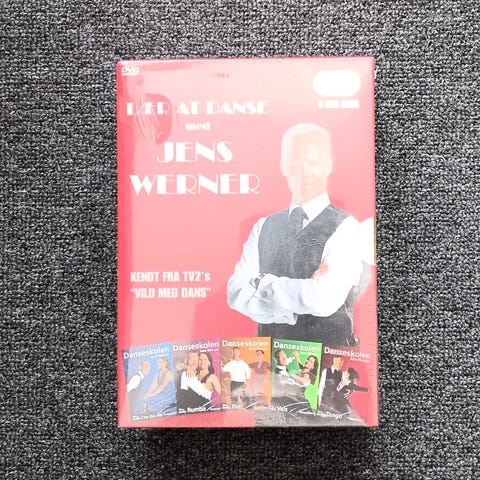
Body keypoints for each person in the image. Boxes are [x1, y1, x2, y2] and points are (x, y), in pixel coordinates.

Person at [227, 123, 370, 346]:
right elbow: (235, 293)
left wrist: (261, 282)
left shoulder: (348, 228)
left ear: (328, 165)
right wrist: (299, 298)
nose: (304, 172)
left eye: (313, 162)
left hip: (330, 356)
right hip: (269, 357)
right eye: (295, 163)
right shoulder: (263, 226)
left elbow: (322, 299)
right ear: (283, 166)